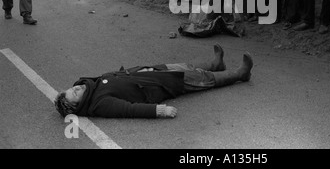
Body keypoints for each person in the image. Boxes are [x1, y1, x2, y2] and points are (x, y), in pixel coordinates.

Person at [54, 44, 254, 119]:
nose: (77, 87)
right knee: (201, 79)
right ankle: (240, 74)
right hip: (159, 85)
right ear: (78, 105)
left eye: (72, 88)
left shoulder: (92, 85)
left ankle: (215, 63)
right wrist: (158, 110)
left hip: (151, 72)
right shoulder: (99, 104)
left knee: (185, 66)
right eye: (75, 93)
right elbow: (128, 110)